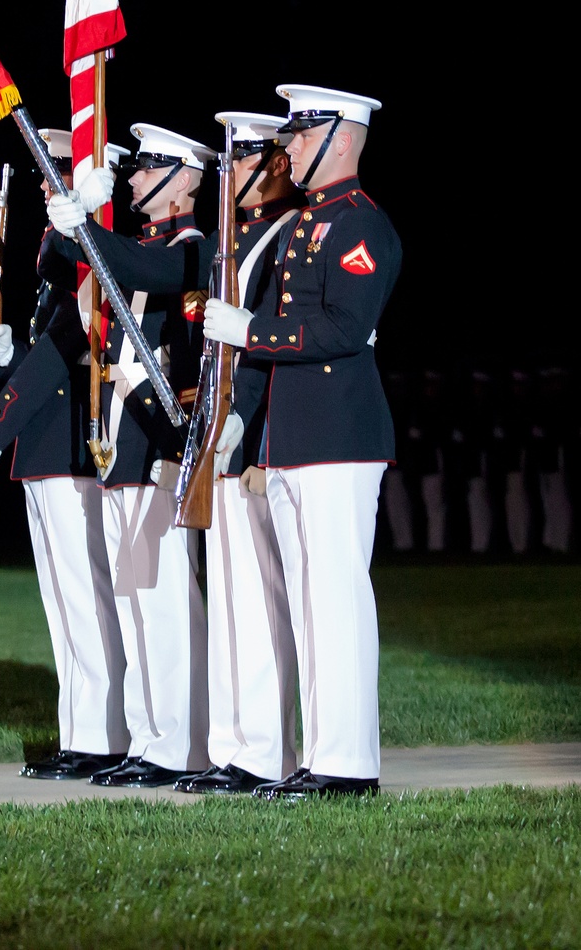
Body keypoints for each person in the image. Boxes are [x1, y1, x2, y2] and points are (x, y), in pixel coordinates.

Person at [202, 84, 401, 800]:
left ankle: (347, 766)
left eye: (303, 137)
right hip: (293, 441)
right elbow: (271, 350)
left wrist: (249, 332)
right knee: (309, 605)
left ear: (342, 140)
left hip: (340, 439)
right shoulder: (302, 227)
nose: (289, 149)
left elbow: (343, 332)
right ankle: (320, 760)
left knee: (335, 602)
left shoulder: (362, 227)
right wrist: (239, 422)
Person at [0, 129, 131, 781]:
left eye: (55, 169)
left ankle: (107, 734)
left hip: (73, 439)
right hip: (46, 439)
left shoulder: (89, 238)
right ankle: (85, 732)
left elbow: (70, 342)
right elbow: (44, 341)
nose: (44, 182)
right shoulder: (61, 240)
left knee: (89, 597)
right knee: (65, 600)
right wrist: (2, 357)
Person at [46, 123, 213, 787]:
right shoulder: (141, 247)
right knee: (136, 601)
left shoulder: (191, 248)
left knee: (164, 599)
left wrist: (86, 225)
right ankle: (150, 740)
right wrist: (69, 225)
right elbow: (79, 270)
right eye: (137, 168)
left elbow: (150, 272)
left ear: (185, 181)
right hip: (124, 442)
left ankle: (180, 743)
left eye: (148, 170)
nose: (136, 179)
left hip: (161, 443)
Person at [175, 112, 300, 795]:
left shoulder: (289, 234)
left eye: (244, 163)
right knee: (226, 598)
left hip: (253, 438)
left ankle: (266, 753)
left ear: (275, 162)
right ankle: (231, 748)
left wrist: (251, 433)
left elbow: (277, 350)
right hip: (218, 431)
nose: (234, 179)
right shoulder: (242, 237)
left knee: (256, 601)